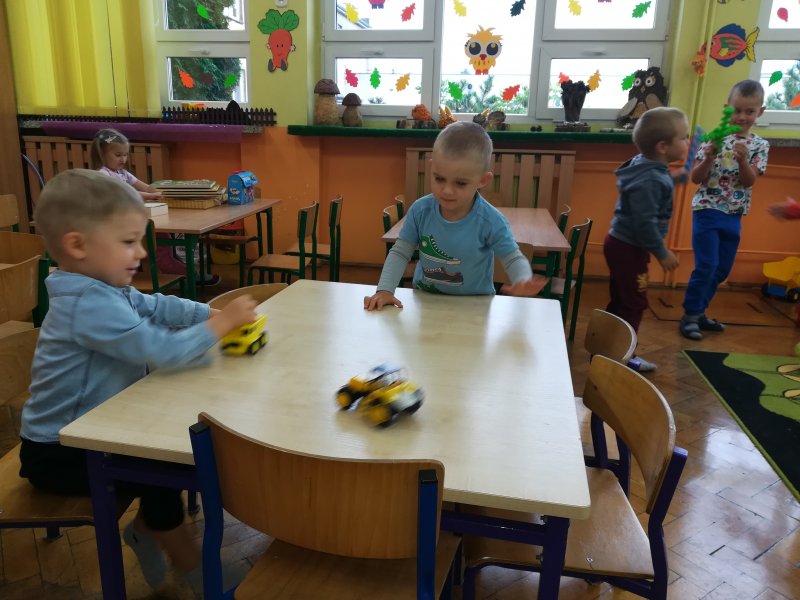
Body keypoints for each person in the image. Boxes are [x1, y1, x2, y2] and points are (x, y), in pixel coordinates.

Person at [18, 169, 257, 590]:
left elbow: (157, 305)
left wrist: (211, 313)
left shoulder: (101, 285)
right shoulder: (86, 302)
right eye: (128, 242)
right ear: (77, 245)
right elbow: (161, 350)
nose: (142, 253)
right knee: (160, 464)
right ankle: (192, 566)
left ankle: (148, 529)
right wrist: (221, 326)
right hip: (59, 452)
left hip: (97, 428)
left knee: (167, 454)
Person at [364, 121, 547, 310]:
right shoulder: (420, 211)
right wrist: (385, 290)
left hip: (475, 307)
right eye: (439, 178)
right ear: (432, 168)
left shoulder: (491, 221)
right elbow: (400, 252)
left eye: (460, 183)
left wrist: (523, 279)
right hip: (426, 302)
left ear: (483, 180)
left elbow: (512, 257)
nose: (447, 190)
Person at [680, 80, 770, 340]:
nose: (742, 117)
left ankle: (699, 312)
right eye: (737, 110)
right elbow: (696, 178)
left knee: (721, 270)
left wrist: (743, 161)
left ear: (760, 112)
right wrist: (708, 157)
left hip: (734, 214)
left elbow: (749, 181)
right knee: (707, 265)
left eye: (749, 111)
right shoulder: (713, 139)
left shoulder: (760, 145)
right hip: (707, 210)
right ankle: (690, 316)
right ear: (726, 109)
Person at [603, 107, 688, 372]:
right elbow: (644, 223)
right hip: (630, 248)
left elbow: (651, 185)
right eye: (683, 137)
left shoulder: (646, 164)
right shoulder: (652, 178)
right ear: (663, 146)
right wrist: (662, 252)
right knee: (634, 303)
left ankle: (609, 348)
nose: (687, 142)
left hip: (622, 245)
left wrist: (671, 179)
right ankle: (624, 357)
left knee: (622, 300)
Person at [91, 128, 220, 285]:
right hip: (119, 225)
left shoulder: (122, 173)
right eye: (118, 155)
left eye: (125, 155)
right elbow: (129, 193)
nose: (123, 159)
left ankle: (180, 274)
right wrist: (151, 196)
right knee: (159, 245)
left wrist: (168, 190)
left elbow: (145, 187)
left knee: (164, 240)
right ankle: (183, 275)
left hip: (134, 219)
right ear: (102, 154)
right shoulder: (103, 174)